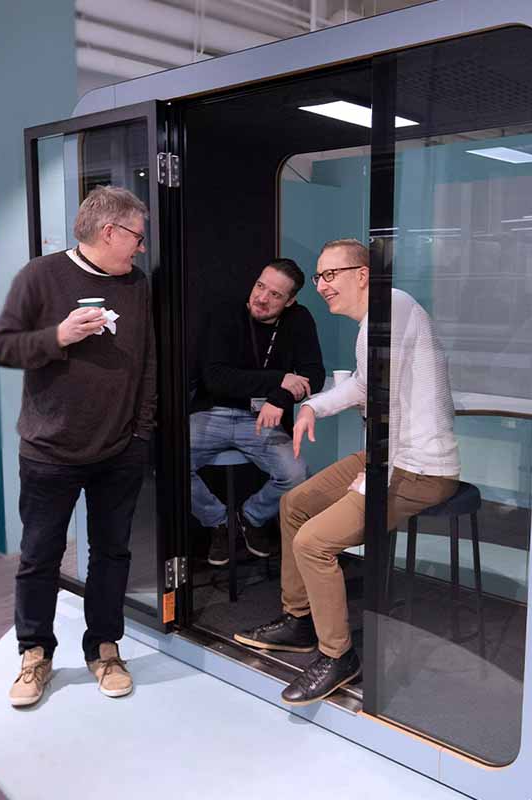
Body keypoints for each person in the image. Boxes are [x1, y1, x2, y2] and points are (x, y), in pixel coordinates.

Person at [234, 238, 461, 705]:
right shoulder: (374, 321)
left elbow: (391, 412)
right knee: (294, 504)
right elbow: (363, 385)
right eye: (318, 278)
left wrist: (364, 484)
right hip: (390, 456)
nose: (321, 286)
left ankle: (338, 654)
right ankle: (300, 619)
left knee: (313, 542)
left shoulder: (391, 314)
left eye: (329, 275)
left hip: (418, 468)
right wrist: (313, 406)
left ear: (363, 274)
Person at [0, 186, 156, 707]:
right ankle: (34, 654)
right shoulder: (41, 276)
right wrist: (58, 336)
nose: (141, 249)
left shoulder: (137, 283)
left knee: (111, 553)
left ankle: (104, 648)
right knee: (39, 556)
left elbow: (148, 359)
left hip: (119, 449)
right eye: (137, 237)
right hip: (48, 450)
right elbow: (2, 347)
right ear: (111, 232)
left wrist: (142, 431)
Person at [190, 259, 325, 566]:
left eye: (275, 295)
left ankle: (250, 517)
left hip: (262, 417)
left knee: (297, 475)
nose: (262, 298)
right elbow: (217, 377)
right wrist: (280, 378)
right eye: (260, 286)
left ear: (290, 301)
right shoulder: (226, 314)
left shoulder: (299, 319)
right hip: (214, 414)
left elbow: (313, 375)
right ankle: (218, 522)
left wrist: (278, 398)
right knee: (170, 465)